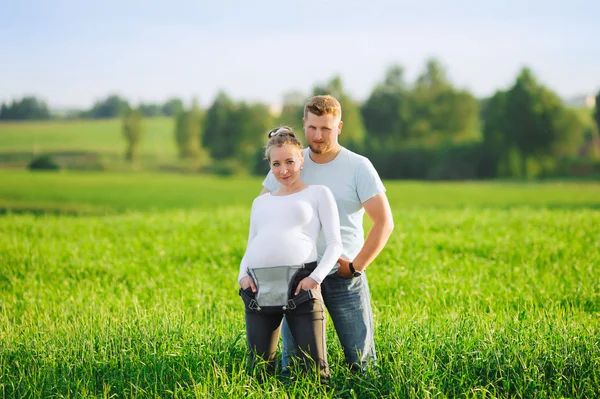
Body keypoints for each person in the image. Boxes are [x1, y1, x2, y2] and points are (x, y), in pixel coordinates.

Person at [261, 95, 394, 372]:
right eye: (312, 128)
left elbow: (383, 222)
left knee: (362, 362)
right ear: (304, 124)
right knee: (297, 367)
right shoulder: (292, 162)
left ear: (340, 127)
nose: (318, 135)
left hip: (343, 276)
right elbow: (265, 211)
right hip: (298, 279)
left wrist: (357, 267)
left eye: (326, 128)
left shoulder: (359, 167)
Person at [238, 126, 343, 378]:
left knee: (315, 369)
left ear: (301, 160)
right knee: (259, 369)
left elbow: (334, 243)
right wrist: (242, 275)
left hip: (301, 284)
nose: (283, 170)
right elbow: (252, 243)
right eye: (276, 163)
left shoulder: (318, 194)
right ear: (270, 165)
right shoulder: (260, 202)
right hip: (258, 287)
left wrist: (314, 278)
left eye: (289, 162)